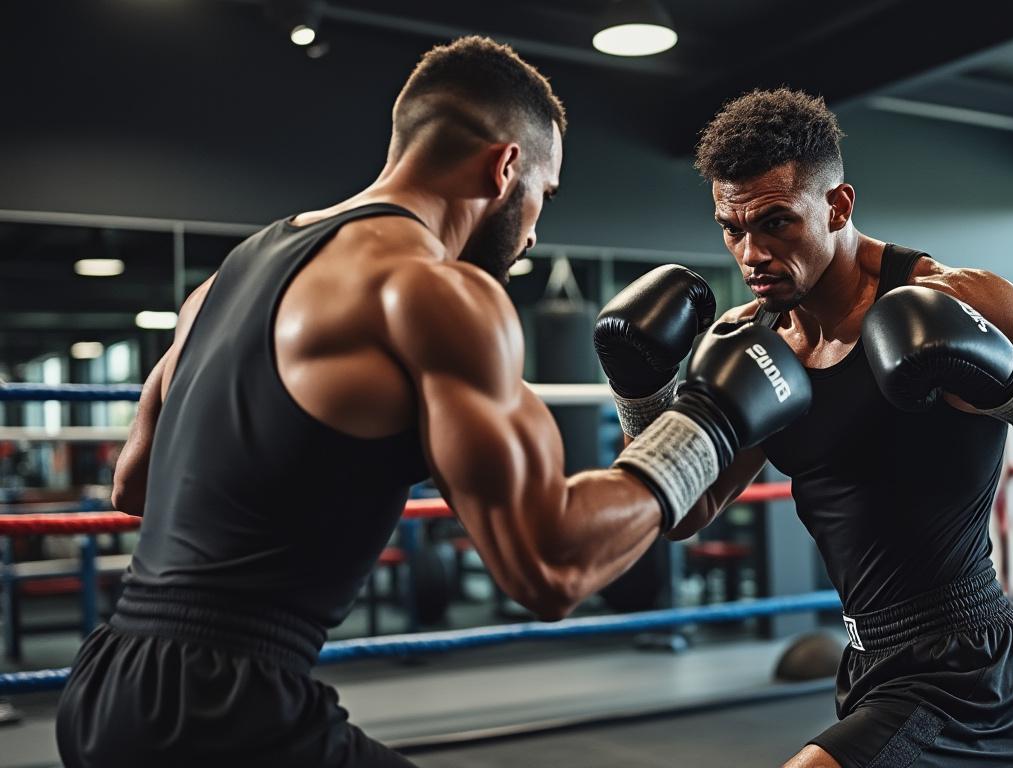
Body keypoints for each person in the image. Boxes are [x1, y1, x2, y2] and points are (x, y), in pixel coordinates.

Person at [54, 38, 809, 768]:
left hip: (104, 684)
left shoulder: (229, 275)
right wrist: (706, 423)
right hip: (224, 710)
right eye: (542, 195)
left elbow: (136, 484)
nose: (533, 232)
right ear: (505, 168)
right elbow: (550, 567)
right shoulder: (436, 292)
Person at [595, 88, 1013, 768]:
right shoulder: (753, 343)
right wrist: (641, 392)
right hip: (868, 665)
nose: (752, 253)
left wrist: (1011, 376)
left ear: (838, 206)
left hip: (974, 669)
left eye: (776, 223)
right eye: (732, 229)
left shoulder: (951, 298)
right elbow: (687, 510)